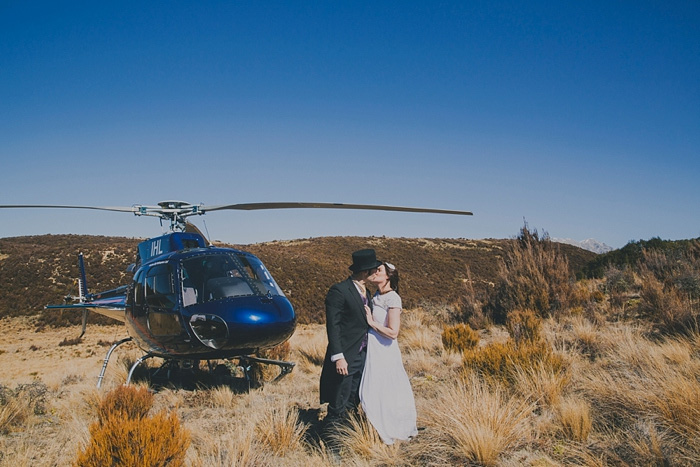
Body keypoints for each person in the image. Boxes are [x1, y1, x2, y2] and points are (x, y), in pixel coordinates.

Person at [320, 249, 381, 429]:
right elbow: (333, 326)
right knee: (339, 397)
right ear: (365, 271)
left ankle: (347, 432)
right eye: (373, 269)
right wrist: (338, 356)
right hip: (346, 355)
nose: (376, 272)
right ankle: (333, 442)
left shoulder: (366, 292)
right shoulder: (339, 291)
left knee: (354, 396)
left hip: (362, 354)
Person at [359, 261, 418, 445]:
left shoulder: (393, 299)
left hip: (385, 350)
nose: (374, 273)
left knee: (387, 389)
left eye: (379, 271)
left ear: (388, 276)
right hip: (374, 350)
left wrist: (371, 322)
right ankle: (377, 425)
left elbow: (393, 332)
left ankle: (392, 427)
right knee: (372, 390)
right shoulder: (376, 295)